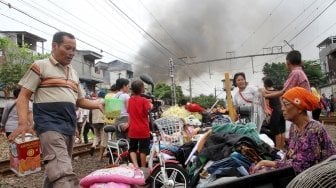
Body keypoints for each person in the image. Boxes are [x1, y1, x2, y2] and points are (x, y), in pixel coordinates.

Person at [8, 31, 104, 188]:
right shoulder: (40, 66)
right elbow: (23, 96)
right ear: (54, 46)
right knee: (63, 172)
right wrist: (23, 124)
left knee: (55, 168)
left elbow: (79, 100)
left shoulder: (73, 73)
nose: (71, 53)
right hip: (49, 125)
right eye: (67, 48)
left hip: (69, 127)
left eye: (74, 50)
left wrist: (98, 104)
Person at [251, 87, 336, 174]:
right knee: (255, 169)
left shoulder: (314, 129)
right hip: (300, 174)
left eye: (286, 104)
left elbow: (304, 165)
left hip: (318, 177)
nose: (282, 109)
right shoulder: (293, 127)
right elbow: (289, 156)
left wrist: (269, 163)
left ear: (299, 108)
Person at [127, 80, 152, 168]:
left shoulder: (130, 100)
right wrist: (150, 103)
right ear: (141, 89)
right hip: (143, 129)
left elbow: (129, 112)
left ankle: (136, 165)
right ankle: (143, 167)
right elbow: (149, 109)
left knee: (132, 148)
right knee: (143, 150)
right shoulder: (144, 101)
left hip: (133, 129)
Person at [263, 78, 286, 149]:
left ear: (265, 84)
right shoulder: (277, 91)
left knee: (276, 133)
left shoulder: (266, 93)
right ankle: (282, 149)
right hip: (281, 112)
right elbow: (281, 102)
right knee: (282, 132)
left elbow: (267, 106)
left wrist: (268, 116)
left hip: (274, 113)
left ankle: (278, 150)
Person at [90, 91, 107, 161]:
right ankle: (104, 152)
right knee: (103, 138)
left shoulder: (93, 101)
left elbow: (90, 113)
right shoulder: (104, 101)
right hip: (102, 121)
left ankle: (93, 145)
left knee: (96, 135)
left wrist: (91, 122)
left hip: (94, 121)